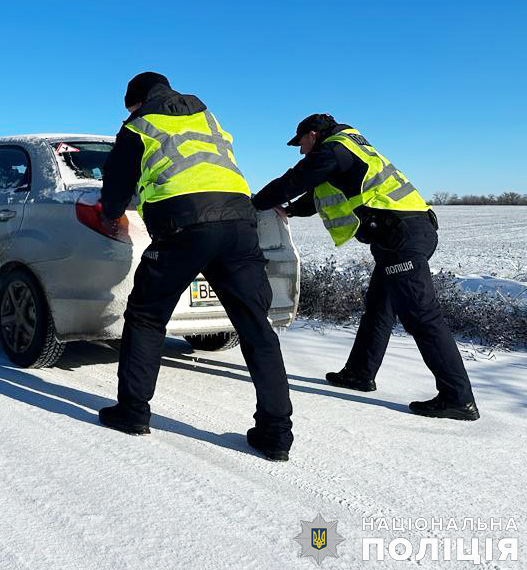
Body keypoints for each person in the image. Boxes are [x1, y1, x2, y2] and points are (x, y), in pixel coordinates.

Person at [98, 72, 294, 461]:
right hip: (239, 223)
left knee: (147, 316)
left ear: (135, 100)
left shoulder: (139, 125)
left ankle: (133, 411)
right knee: (256, 326)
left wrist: (111, 214)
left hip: (182, 225)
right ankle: (276, 433)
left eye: (129, 105)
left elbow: (116, 186)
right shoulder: (207, 117)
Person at [251, 114, 479, 421]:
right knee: (379, 308)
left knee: (423, 317)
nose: (300, 150)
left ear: (313, 134)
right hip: (402, 235)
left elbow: (294, 181)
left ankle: (458, 397)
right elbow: (317, 195)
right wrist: (289, 208)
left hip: (402, 237)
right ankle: (359, 374)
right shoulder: (350, 150)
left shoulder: (334, 150)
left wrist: (254, 203)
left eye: (301, 143)